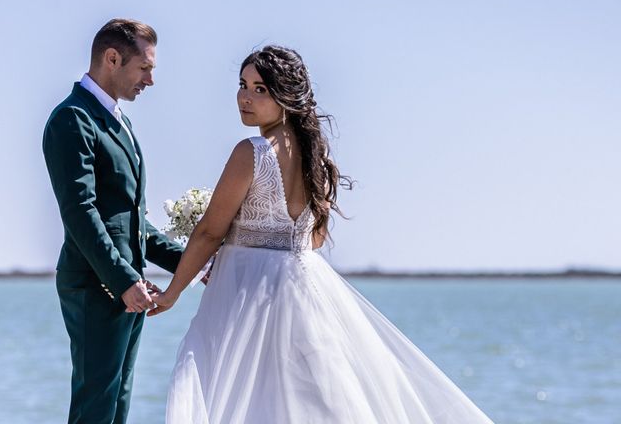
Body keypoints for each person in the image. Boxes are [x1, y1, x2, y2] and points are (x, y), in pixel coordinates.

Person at [150, 45, 494, 423]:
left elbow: (209, 233)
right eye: (242, 85)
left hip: (246, 293)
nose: (245, 97)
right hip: (302, 289)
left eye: (260, 89)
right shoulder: (315, 155)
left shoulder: (252, 151)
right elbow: (311, 239)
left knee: (238, 398)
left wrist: (172, 293)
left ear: (287, 96)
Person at [42, 18, 183, 424]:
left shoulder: (120, 121)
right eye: (146, 68)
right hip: (95, 285)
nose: (150, 80)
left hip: (126, 287)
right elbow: (80, 212)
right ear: (112, 58)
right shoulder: (72, 119)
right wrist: (122, 280)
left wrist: (195, 261)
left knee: (117, 404)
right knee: (96, 409)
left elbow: (132, 221)